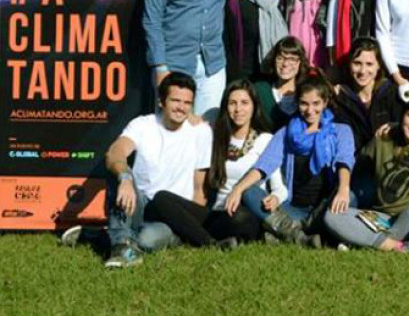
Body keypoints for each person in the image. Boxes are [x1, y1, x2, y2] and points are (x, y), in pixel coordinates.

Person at [141, 79, 288, 247]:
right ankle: (209, 242)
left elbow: (280, 188)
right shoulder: (217, 137)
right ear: (225, 107)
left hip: (245, 215)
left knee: (241, 219)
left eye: (244, 103)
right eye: (232, 103)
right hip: (218, 213)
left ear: (254, 106)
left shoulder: (265, 140)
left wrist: (275, 198)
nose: (238, 109)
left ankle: (193, 236)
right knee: (161, 198)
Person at [225, 76, 355, 246]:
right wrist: (238, 189)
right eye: (304, 103)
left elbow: (344, 162)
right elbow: (264, 165)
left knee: (350, 197)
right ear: (296, 103)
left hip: (325, 207)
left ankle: (290, 232)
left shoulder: (341, 131)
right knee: (249, 192)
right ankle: (299, 233)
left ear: (325, 102)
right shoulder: (286, 133)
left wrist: (343, 189)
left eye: (316, 103)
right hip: (293, 209)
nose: (310, 110)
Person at [100, 73, 213, 268]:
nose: (181, 107)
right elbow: (114, 152)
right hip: (139, 203)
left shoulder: (201, 132)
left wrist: (190, 229)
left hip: (171, 214)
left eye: (187, 103)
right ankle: (122, 248)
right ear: (161, 101)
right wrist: (125, 178)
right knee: (118, 172)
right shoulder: (143, 125)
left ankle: (100, 236)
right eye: (175, 100)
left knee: (147, 240)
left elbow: (199, 189)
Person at [322, 94, 409, 251]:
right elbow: (357, 164)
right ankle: (398, 246)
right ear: (403, 114)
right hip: (383, 218)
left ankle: (365, 241)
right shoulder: (384, 138)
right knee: (332, 215)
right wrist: (344, 190)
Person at [331, 37, 396, 150]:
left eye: (369, 64)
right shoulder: (339, 98)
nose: (362, 71)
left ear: (379, 65)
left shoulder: (392, 94)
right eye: (357, 63)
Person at [253, 37, 311, 131]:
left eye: (292, 59)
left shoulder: (308, 92)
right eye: (280, 58)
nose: (285, 64)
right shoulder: (260, 90)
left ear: (300, 63)